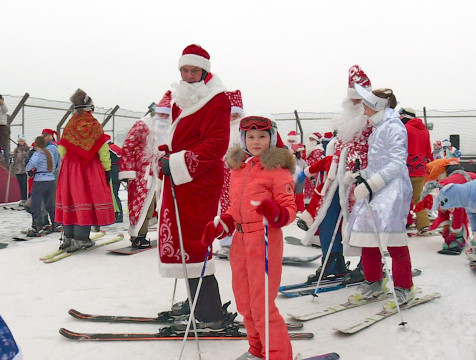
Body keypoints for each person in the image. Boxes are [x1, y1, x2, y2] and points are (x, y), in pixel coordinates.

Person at [201, 115, 296, 360]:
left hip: (264, 239)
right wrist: (223, 225)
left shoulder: (278, 170)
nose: (256, 141)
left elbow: (289, 211)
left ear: (271, 138)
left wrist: (274, 212)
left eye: (262, 136)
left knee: (262, 304)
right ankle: (257, 349)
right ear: (243, 139)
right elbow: (236, 208)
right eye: (251, 137)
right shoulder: (239, 169)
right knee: (244, 302)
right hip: (240, 242)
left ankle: (277, 355)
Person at [158, 44, 230, 331]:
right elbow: (179, 139)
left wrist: (178, 161)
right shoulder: (180, 99)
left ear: (205, 71)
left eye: (194, 70)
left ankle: (209, 312)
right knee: (180, 241)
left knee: (195, 241)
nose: (188, 76)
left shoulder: (217, 100)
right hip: (179, 178)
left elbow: (217, 144)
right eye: (184, 70)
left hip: (198, 181)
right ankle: (196, 301)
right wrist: (166, 153)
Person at [299, 65, 374, 283]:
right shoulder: (344, 122)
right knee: (327, 220)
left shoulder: (374, 122)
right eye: (353, 99)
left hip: (362, 182)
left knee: (363, 223)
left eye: (361, 99)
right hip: (336, 182)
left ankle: (367, 265)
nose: (357, 104)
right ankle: (332, 263)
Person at [347, 83, 414, 305]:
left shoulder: (394, 127)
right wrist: (360, 174)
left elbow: (396, 163)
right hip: (376, 188)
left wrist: (370, 184)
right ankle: (374, 280)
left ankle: (404, 286)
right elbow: (378, 164)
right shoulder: (378, 129)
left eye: (366, 106)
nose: (363, 111)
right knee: (368, 237)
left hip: (393, 190)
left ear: (376, 107)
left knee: (393, 239)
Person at [55, 89, 115, 252]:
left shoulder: (70, 124)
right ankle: (81, 238)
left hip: (69, 168)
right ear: (90, 107)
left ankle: (68, 237)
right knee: (86, 201)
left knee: (70, 201)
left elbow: (62, 151)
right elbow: (103, 149)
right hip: (89, 169)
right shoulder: (93, 124)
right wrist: (107, 169)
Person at [119, 90, 172, 247]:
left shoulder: (168, 130)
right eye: (161, 114)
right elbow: (128, 146)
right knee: (141, 205)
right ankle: (137, 236)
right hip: (142, 174)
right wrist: (130, 172)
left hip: (159, 173)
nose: (163, 118)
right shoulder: (143, 125)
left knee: (154, 206)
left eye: (166, 115)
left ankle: (143, 235)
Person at [416, 158, 476, 254]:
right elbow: (443, 212)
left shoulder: (451, 191)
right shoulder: (440, 191)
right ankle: (464, 240)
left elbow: (459, 213)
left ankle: (462, 240)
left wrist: (454, 232)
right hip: (462, 190)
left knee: (467, 216)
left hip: (471, 191)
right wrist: (446, 227)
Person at [216, 90, 245, 256]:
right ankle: (226, 242)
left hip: (245, 178)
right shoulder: (221, 131)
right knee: (226, 209)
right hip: (225, 180)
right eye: (230, 116)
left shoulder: (247, 134)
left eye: (236, 115)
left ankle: (245, 240)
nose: (233, 119)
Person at [399, 107, 432, 235]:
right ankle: (423, 225)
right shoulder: (425, 131)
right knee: (418, 198)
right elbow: (428, 151)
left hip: (406, 169)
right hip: (421, 170)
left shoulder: (405, 129)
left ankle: (404, 222)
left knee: (403, 198)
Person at [25, 136, 57, 236]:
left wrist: (29, 169)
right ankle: (56, 223)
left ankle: (37, 226)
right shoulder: (49, 153)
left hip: (40, 180)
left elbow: (30, 165)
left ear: (36, 144)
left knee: (36, 204)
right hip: (50, 180)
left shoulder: (37, 154)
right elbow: (54, 165)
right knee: (50, 203)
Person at [12, 135, 30, 206]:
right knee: (21, 185)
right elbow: (14, 158)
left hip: (24, 170)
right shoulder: (16, 150)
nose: (21, 142)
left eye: (22, 141)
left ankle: (27, 198)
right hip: (18, 170)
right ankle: (23, 199)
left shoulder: (27, 149)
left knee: (25, 184)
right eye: (19, 141)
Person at [0, 95, 10, 164]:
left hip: (3, 126)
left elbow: (5, 110)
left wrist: (2, 103)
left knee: (5, 144)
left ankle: (7, 160)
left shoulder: (2, 105)